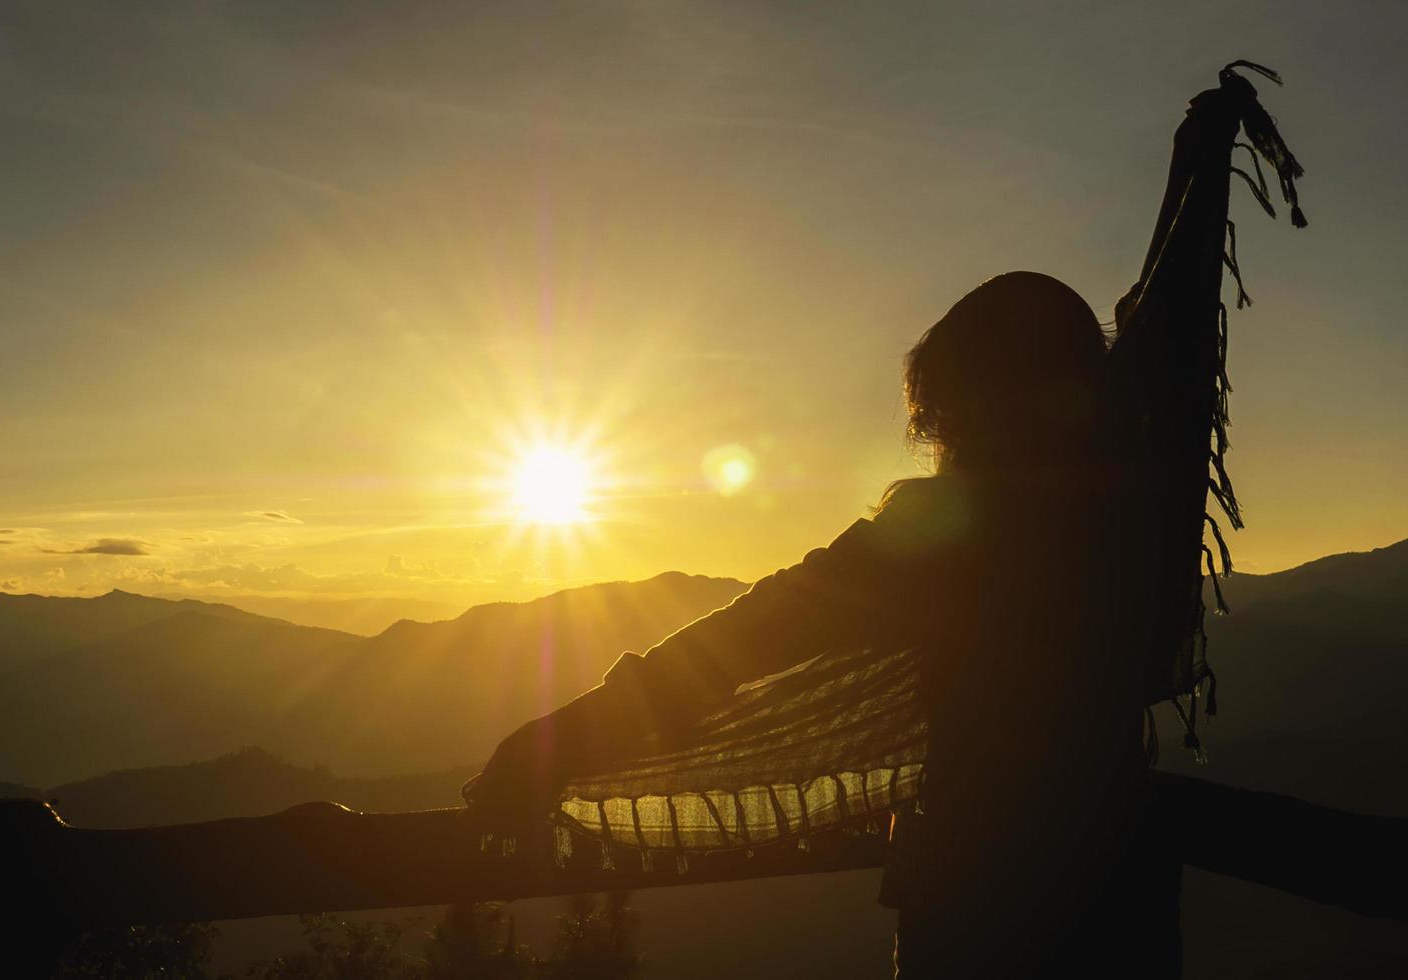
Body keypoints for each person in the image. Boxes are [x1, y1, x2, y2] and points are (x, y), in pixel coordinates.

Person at [464, 65, 1304, 979]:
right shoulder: (1127, 510)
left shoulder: (944, 536)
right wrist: (1200, 159)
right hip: (1117, 901)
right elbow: (1170, 332)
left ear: (956, 406)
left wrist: (551, 747)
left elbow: (742, 643)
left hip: (979, 899)